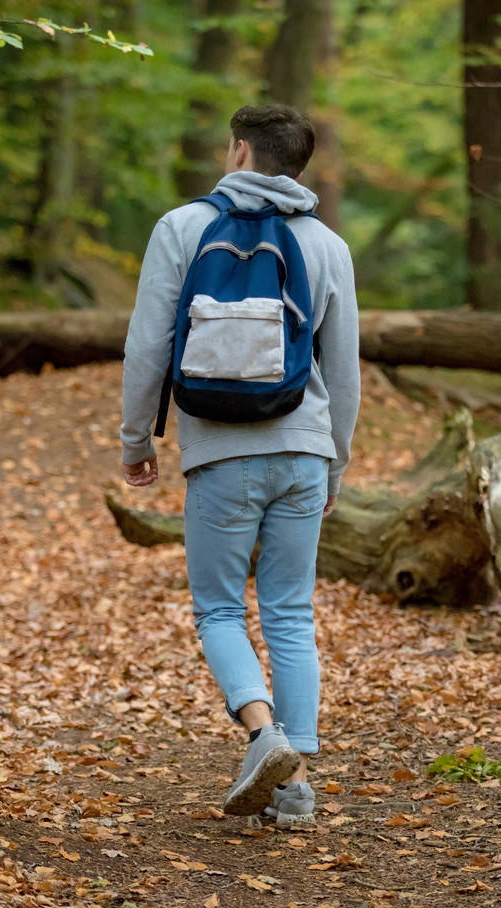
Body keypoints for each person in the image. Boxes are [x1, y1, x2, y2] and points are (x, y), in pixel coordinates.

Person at [121, 104, 359, 826]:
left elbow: (146, 348)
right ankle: (296, 786)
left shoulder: (182, 228)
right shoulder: (326, 243)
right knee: (291, 612)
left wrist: (138, 440)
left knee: (220, 608)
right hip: (303, 452)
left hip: (220, 453)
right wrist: (335, 462)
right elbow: (342, 371)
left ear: (239, 151)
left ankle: (263, 736)